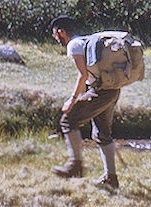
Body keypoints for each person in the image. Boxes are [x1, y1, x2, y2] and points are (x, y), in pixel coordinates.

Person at [50, 15, 120, 190]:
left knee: (68, 120)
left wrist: (72, 101)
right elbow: (88, 75)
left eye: (55, 34)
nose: (55, 38)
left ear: (61, 32)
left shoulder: (74, 45)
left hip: (100, 91)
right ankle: (111, 178)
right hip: (111, 90)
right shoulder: (84, 41)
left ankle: (76, 166)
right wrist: (81, 95)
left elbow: (82, 75)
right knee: (102, 133)